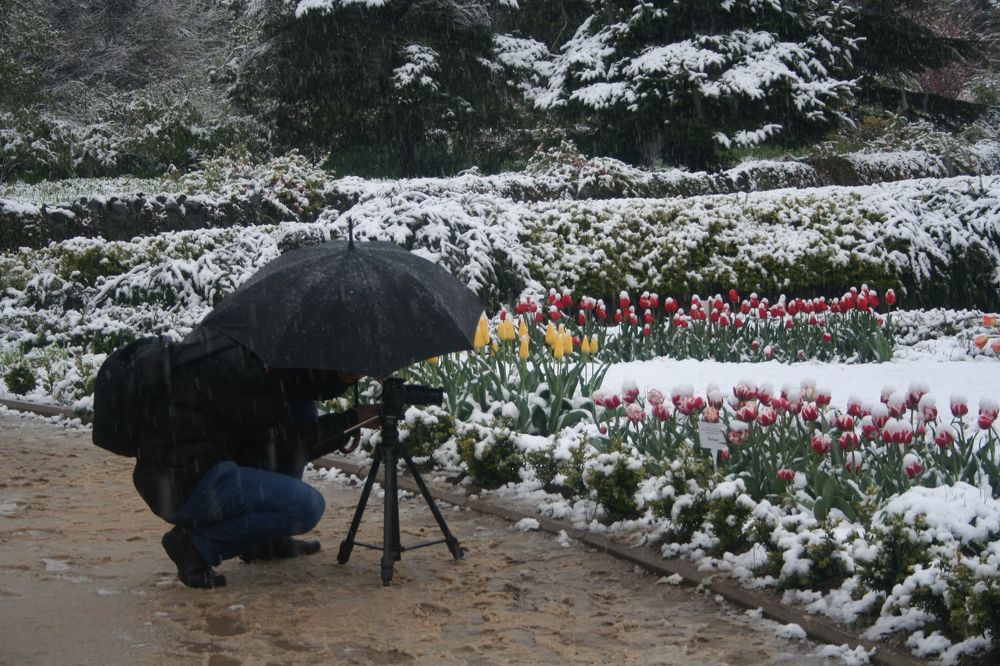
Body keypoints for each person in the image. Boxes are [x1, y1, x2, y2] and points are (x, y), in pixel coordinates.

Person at [133, 325, 381, 588]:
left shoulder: (240, 348)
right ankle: (194, 545)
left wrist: (339, 378)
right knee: (306, 507)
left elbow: (293, 387)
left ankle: (265, 542)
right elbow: (288, 443)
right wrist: (353, 419)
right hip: (183, 483)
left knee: (300, 407)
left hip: (181, 467)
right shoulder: (243, 372)